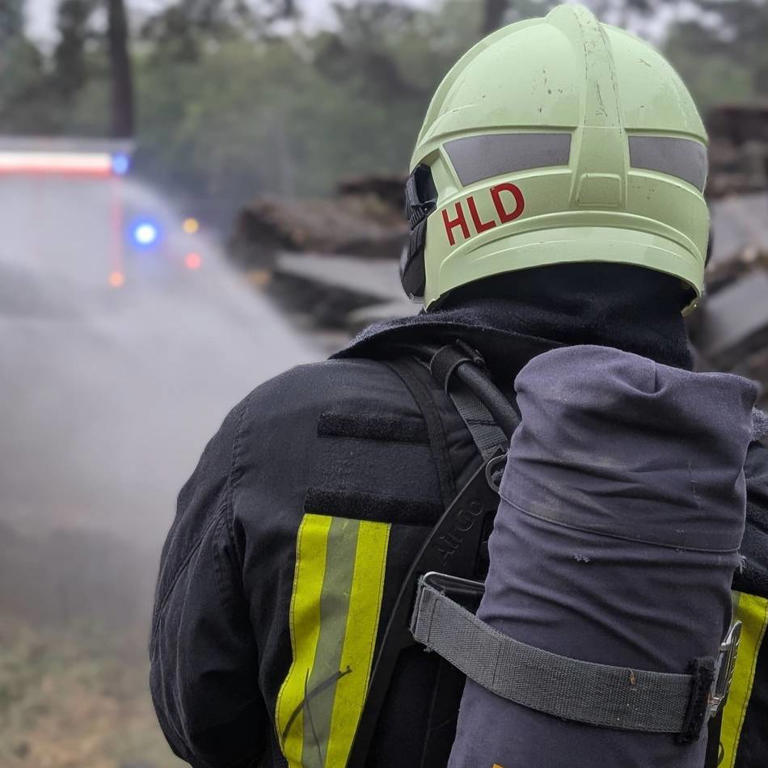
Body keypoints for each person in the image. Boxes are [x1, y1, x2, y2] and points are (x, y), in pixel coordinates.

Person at [150, 5, 768, 767]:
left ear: (434, 214)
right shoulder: (753, 477)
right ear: (691, 228)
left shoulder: (284, 435)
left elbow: (197, 716)